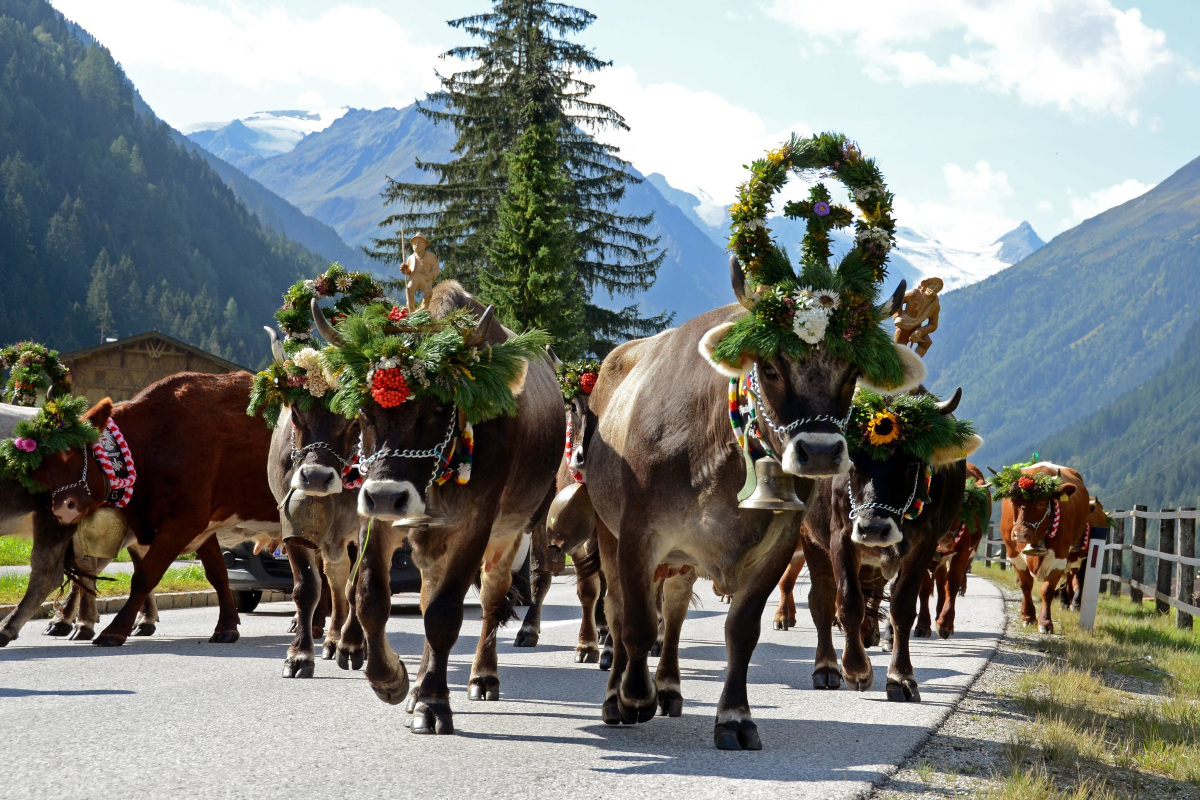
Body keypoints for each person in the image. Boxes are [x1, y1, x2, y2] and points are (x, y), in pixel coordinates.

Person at [893, 277, 942, 357]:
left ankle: (912, 361)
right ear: (926, 285)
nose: (933, 290)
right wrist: (898, 316)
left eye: (936, 289)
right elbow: (897, 301)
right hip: (903, 324)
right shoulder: (914, 293)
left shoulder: (934, 305)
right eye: (932, 286)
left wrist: (920, 331)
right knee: (898, 350)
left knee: (926, 342)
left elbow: (933, 324)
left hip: (916, 327)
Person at [401, 232, 440, 311]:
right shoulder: (410, 258)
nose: (417, 244)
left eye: (419, 242)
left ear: (425, 244)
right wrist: (405, 269)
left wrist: (430, 275)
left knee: (428, 292)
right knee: (409, 289)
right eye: (414, 243)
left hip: (425, 277)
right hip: (414, 277)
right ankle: (410, 308)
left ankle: (424, 308)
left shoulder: (431, 256)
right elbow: (408, 272)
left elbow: (436, 268)